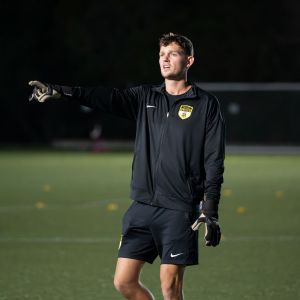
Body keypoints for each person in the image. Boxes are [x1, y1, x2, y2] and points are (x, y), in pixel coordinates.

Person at [28, 32, 225, 300]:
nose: (165, 60)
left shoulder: (206, 105)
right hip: (142, 206)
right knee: (124, 282)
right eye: (161, 55)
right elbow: (105, 97)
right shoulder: (145, 97)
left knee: (170, 287)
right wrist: (63, 91)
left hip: (179, 209)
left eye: (173, 54)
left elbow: (214, 159)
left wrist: (210, 210)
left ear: (189, 60)